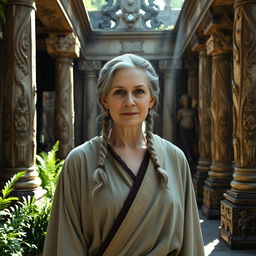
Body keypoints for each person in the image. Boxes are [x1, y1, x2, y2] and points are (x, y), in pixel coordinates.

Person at [43, 54, 205, 256]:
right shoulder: (80, 162)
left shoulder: (175, 159)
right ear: (105, 101)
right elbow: (67, 243)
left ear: (151, 100)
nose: (129, 101)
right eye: (119, 92)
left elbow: (190, 242)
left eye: (138, 91)